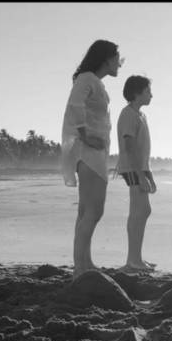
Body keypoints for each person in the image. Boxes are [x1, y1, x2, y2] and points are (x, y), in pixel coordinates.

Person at [60, 39, 123, 277]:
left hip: (94, 153)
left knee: (87, 210)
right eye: (117, 58)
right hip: (87, 152)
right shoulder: (87, 79)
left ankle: (85, 262)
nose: (120, 63)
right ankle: (80, 267)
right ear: (106, 59)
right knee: (94, 211)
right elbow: (74, 105)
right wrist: (86, 136)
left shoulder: (94, 81)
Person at [116, 75, 157, 272]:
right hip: (132, 169)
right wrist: (140, 175)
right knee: (138, 212)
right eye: (148, 91)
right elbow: (130, 147)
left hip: (140, 168)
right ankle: (133, 260)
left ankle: (136, 258)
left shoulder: (141, 115)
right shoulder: (128, 114)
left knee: (144, 211)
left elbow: (143, 150)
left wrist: (149, 175)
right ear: (136, 93)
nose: (151, 95)